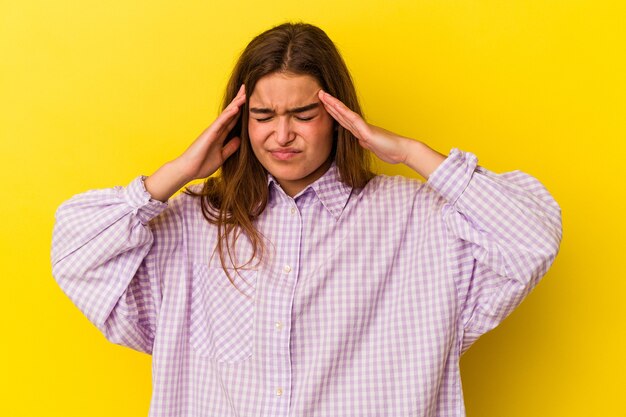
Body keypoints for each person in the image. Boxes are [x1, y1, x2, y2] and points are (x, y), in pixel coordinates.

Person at [51, 22, 562, 417]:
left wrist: (410, 151)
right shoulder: (193, 223)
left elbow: (532, 235)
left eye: (303, 114)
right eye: (263, 116)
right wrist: (176, 173)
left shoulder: (421, 220)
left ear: (339, 114)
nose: (282, 136)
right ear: (237, 119)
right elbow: (74, 253)